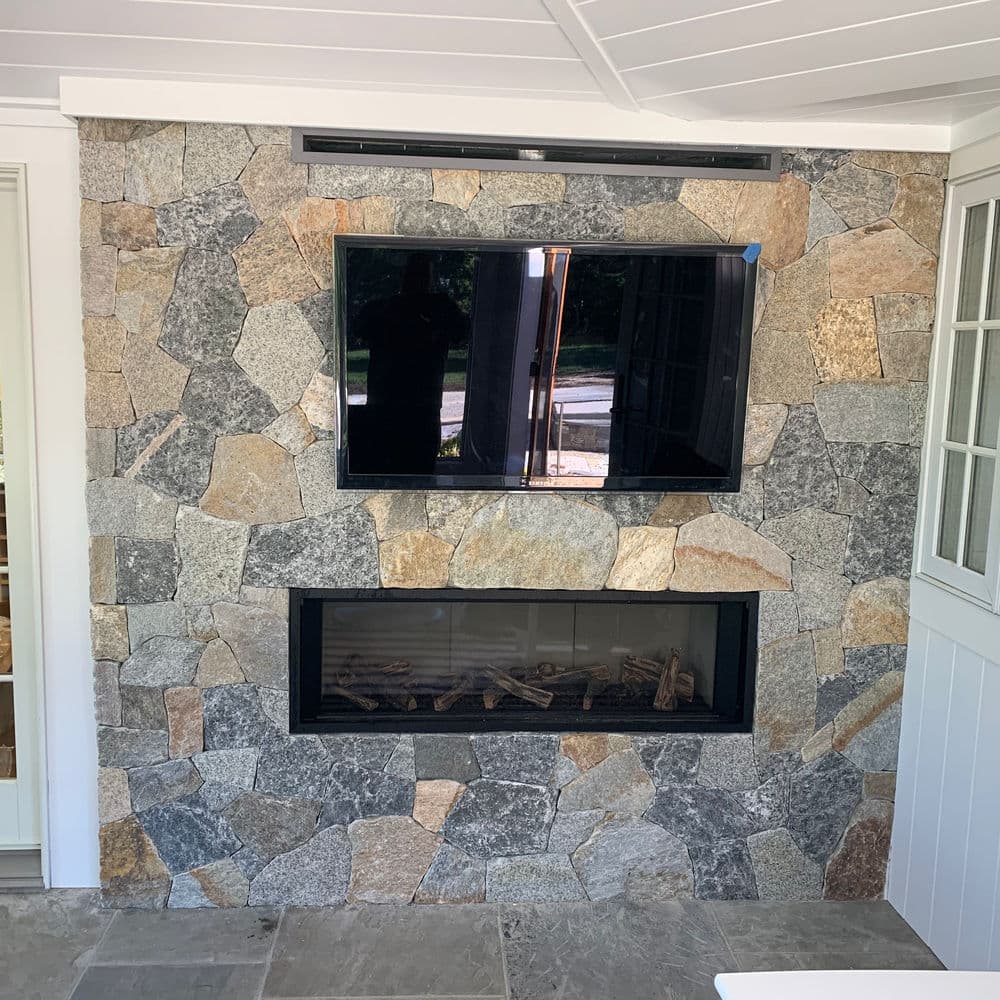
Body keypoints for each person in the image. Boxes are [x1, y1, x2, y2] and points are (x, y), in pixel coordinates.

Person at [352, 252, 468, 474]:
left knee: (413, 473)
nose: (419, 277)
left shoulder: (438, 308)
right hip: (395, 409)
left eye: (422, 269)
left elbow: (462, 332)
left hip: (412, 409)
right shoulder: (385, 309)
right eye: (415, 270)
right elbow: (359, 328)